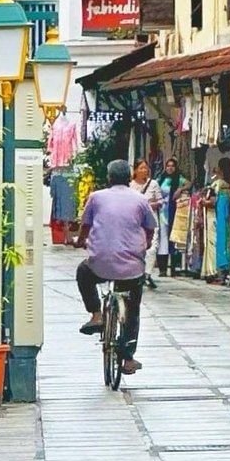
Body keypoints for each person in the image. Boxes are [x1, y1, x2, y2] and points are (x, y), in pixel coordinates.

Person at [74, 160, 156, 376]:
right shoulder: (140, 200)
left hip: (100, 263)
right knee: (133, 308)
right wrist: (145, 244)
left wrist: (80, 241)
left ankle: (96, 314)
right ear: (130, 177)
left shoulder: (96, 198)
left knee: (83, 272)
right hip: (132, 267)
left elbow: (86, 226)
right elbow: (150, 229)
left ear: (109, 178)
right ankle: (128, 358)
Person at [130, 159, 163, 289]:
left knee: (153, 246)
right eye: (141, 168)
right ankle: (137, 272)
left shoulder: (153, 184)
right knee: (138, 246)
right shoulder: (130, 185)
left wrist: (150, 205)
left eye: (146, 168)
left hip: (151, 218)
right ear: (135, 170)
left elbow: (160, 201)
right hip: (136, 220)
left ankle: (147, 274)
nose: (144, 170)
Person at [155, 158, 187, 276]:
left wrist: (180, 189)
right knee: (162, 238)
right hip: (162, 212)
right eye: (168, 166)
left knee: (173, 238)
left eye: (172, 166)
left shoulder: (179, 179)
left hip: (174, 211)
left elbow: (189, 183)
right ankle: (162, 269)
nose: (170, 168)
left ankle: (173, 268)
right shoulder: (161, 179)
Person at [202, 158, 230, 281]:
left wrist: (204, 202)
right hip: (225, 215)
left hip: (215, 216)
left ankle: (215, 270)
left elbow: (212, 201)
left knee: (214, 242)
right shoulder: (229, 183)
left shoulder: (218, 183)